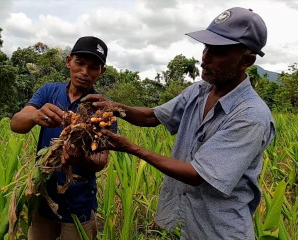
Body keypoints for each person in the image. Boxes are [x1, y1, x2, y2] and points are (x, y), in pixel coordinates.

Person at [82, 7, 275, 240]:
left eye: (219, 51)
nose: (205, 57)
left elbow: (197, 175)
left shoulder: (251, 116)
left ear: (247, 60)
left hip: (221, 231)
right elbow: (152, 116)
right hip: (186, 226)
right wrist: (114, 107)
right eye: (206, 47)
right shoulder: (199, 91)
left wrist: (130, 147)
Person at [10, 36, 115, 240]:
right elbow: (16, 123)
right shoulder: (49, 91)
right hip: (42, 198)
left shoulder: (102, 108)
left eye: (93, 67)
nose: (84, 72)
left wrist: (78, 157)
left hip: (79, 204)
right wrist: (35, 115)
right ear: (69, 61)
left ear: (102, 72)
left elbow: (101, 160)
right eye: (79, 63)